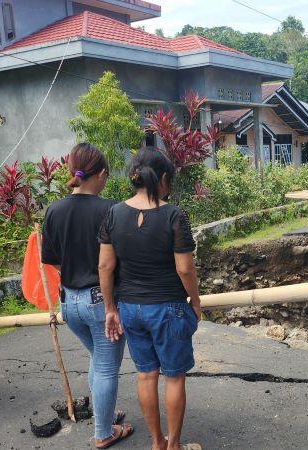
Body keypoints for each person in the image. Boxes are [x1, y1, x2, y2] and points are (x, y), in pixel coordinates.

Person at [98, 149, 202, 450]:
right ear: (164, 178)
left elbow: (105, 266)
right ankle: (174, 446)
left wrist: (110, 309)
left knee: (145, 375)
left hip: (130, 308)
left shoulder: (113, 214)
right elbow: (184, 268)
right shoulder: (173, 215)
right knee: (174, 377)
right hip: (168, 308)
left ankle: (157, 443)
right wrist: (195, 300)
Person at [41, 143, 133, 449]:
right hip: (101, 301)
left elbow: (52, 260)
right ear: (102, 174)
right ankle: (103, 433)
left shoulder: (54, 210)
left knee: (97, 357)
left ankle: (103, 412)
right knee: (107, 366)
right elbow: (117, 261)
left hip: (70, 303)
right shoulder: (111, 210)